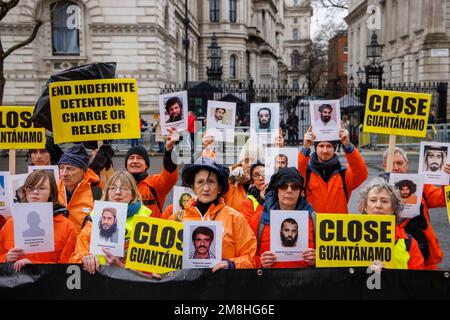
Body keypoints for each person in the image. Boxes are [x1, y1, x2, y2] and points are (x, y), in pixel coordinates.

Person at [168, 157, 257, 270]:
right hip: (186, 286)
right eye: (200, 182)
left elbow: (251, 259)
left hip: (223, 285)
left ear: (219, 189)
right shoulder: (177, 218)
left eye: (211, 182)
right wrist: (158, 270)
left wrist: (230, 264)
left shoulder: (235, 218)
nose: (205, 188)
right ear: (193, 188)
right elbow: (163, 256)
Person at [70, 170, 152, 275]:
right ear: (107, 193)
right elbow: (77, 253)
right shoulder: (94, 217)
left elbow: (150, 269)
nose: (117, 192)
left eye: (124, 188)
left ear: (133, 193)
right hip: (98, 279)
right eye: (112, 188)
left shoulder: (145, 219)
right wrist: (85, 257)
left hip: (131, 285)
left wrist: (122, 267)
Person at [382, 147, 450, 270]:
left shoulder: (420, 185)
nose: (396, 168)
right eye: (391, 164)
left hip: (424, 252)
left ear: (407, 165)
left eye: (400, 163)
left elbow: (443, 198)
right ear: (384, 166)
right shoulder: (377, 188)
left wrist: (447, 179)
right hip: (394, 251)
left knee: (429, 287)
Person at [0, 170, 77, 271]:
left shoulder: (67, 227)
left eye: (41, 188)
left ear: (51, 192)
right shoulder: (10, 224)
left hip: (48, 285)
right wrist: (5, 258)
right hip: (13, 284)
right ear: (25, 191)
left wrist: (36, 266)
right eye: (30, 188)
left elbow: (68, 267)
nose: (35, 192)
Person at [249, 167, 316, 268]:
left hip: (305, 281)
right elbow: (246, 255)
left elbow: (328, 258)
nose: (289, 190)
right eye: (284, 186)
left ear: (301, 192)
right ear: (277, 190)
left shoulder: (314, 219)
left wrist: (318, 259)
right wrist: (260, 262)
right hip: (270, 281)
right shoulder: (259, 219)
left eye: (295, 186)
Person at [298, 125, 368, 213]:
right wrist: (305, 148)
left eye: (329, 146)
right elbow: (296, 174)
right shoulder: (307, 173)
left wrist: (348, 146)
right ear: (315, 148)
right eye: (321, 146)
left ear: (334, 148)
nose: (325, 150)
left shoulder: (344, 173)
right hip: (313, 225)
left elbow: (361, 173)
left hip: (338, 225)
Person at [358, 177, 424, 269]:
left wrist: (389, 274)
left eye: (384, 201)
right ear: (365, 206)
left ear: (393, 208)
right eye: (373, 200)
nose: (378, 205)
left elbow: (417, 280)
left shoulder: (408, 243)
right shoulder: (348, 239)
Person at [125, 128, 179, 218]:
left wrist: (169, 152)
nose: (135, 161)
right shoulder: (119, 184)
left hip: (152, 231)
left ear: (146, 165)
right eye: (131, 158)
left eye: (139, 158)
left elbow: (170, 177)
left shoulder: (155, 183)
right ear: (126, 164)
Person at [58, 144, 102, 233]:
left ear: (83, 172)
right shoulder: (52, 192)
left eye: (70, 168)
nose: (64, 173)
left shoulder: (97, 194)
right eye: (61, 168)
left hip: (83, 246)